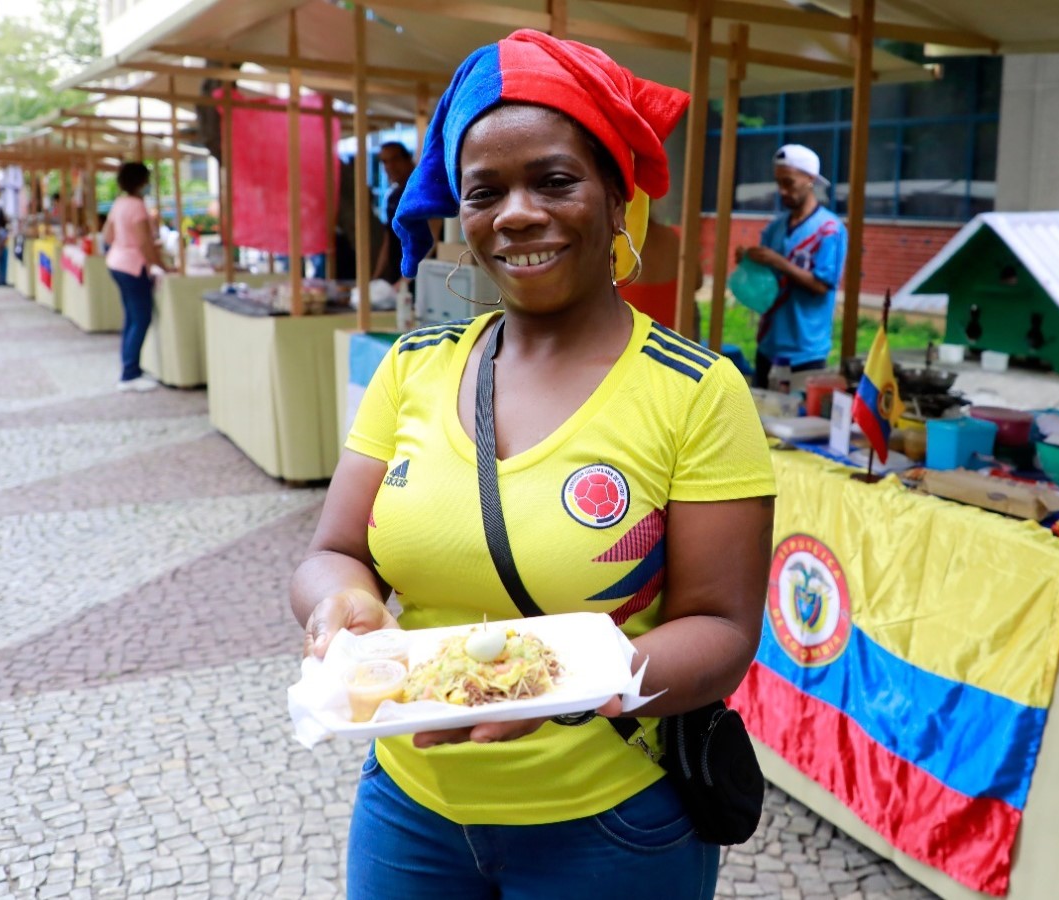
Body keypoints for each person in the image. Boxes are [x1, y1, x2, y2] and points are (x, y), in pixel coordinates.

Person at [292, 30, 775, 900]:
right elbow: (334, 549)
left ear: (617, 196)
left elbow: (723, 629)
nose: (515, 212)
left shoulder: (699, 392)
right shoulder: (415, 366)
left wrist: (574, 687)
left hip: (612, 826)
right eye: (486, 192)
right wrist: (344, 603)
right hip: (410, 813)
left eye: (554, 180)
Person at [736, 144, 847, 388]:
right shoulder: (775, 227)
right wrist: (748, 263)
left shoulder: (829, 229)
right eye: (778, 183)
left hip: (805, 350)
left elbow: (821, 285)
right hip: (769, 345)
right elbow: (765, 283)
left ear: (809, 179)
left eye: (788, 182)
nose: (782, 191)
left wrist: (778, 262)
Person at [101, 163, 170, 392]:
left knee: (131, 317)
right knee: (141, 317)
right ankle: (130, 372)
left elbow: (108, 235)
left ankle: (130, 368)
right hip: (133, 266)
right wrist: (160, 265)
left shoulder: (119, 203)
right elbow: (143, 242)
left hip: (116, 263)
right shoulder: (137, 206)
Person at [617, 212, 702, 338]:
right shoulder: (677, 239)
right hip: (677, 346)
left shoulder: (612, 243)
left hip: (629, 348)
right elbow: (697, 281)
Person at [372, 141, 415, 285]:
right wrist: (375, 278)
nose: (389, 167)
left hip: (419, 281)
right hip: (397, 279)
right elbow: (389, 238)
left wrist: (404, 282)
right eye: (385, 162)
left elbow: (430, 240)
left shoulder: (421, 192)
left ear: (408, 159)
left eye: (395, 159)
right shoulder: (393, 196)